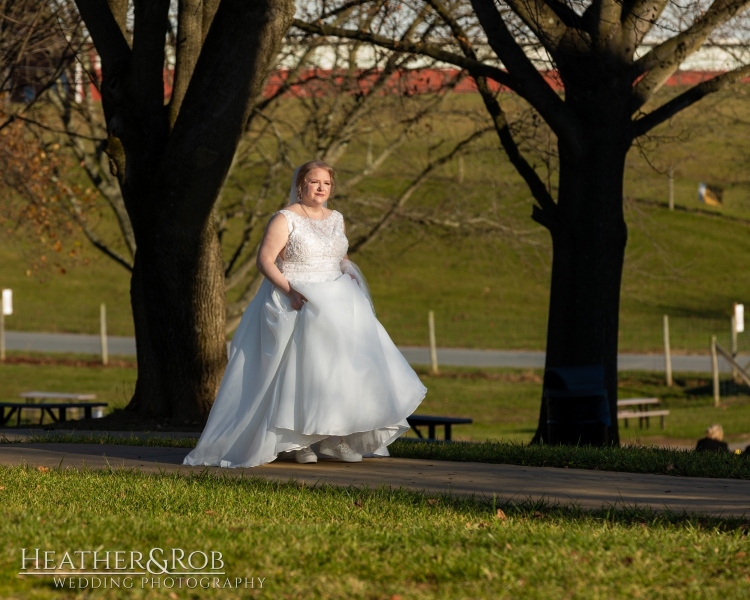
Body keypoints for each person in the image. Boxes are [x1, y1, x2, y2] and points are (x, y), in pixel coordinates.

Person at [183, 160, 426, 468]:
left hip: (338, 301)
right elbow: (265, 261)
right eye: (314, 182)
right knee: (302, 371)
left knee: (341, 370)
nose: (321, 188)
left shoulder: (336, 218)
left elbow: (340, 255)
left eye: (326, 183)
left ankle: (335, 438)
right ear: (301, 185)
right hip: (298, 299)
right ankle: (300, 441)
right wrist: (290, 291)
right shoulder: (285, 218)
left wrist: (347, 273)